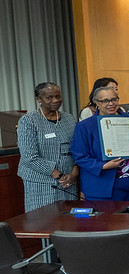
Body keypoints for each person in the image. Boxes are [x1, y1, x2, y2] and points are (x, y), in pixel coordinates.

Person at [71, 86, 129, 201]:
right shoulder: (85, 126)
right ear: (96, 102)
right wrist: (103, 166)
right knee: (108, 219)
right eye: (105, 101)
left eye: (114, 99)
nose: (111, 103)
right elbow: (79, 155)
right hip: (103, 185)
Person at [17, 82, 79, 211]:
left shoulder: (69, 119)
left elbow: (78, 149)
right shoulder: (28, 121)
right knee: (43, 221)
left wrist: (73, 173)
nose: (55, 100)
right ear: (39, 99)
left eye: (58, 96)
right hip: (40, 182)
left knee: (69, 222)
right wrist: (58, 175)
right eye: (49, 97)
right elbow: (29, 157)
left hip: (69, 181)